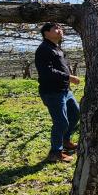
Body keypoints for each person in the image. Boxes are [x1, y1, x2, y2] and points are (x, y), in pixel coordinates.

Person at [35, 22, 81, 162]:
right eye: (55, 28)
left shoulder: (57, 48)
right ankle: (55, 152)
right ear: (46, 33)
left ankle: (65, 141)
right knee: (61, 122)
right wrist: (68, 77)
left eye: (60, 28)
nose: (60, 30)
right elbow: (46, 71)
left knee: (75, 113)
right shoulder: (44, 49)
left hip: (65, 90)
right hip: (52, 92)